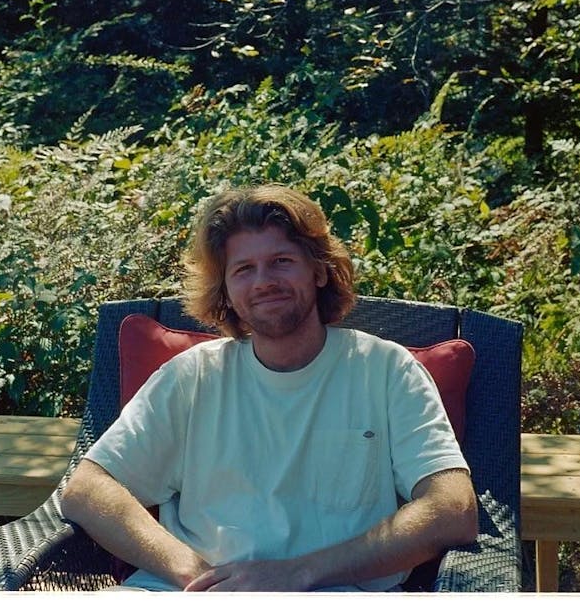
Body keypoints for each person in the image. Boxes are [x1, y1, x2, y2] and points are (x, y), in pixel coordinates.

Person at [61, 184, 477, 592]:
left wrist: (299, 573)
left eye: (281, 261)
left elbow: (452, 508)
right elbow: (88, 488)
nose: (264, 281)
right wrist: (192, 572)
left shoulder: (385, 371)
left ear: (318, 270)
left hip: (329, 593)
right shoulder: (191, 377)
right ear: (225, 289)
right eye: (243, 269)